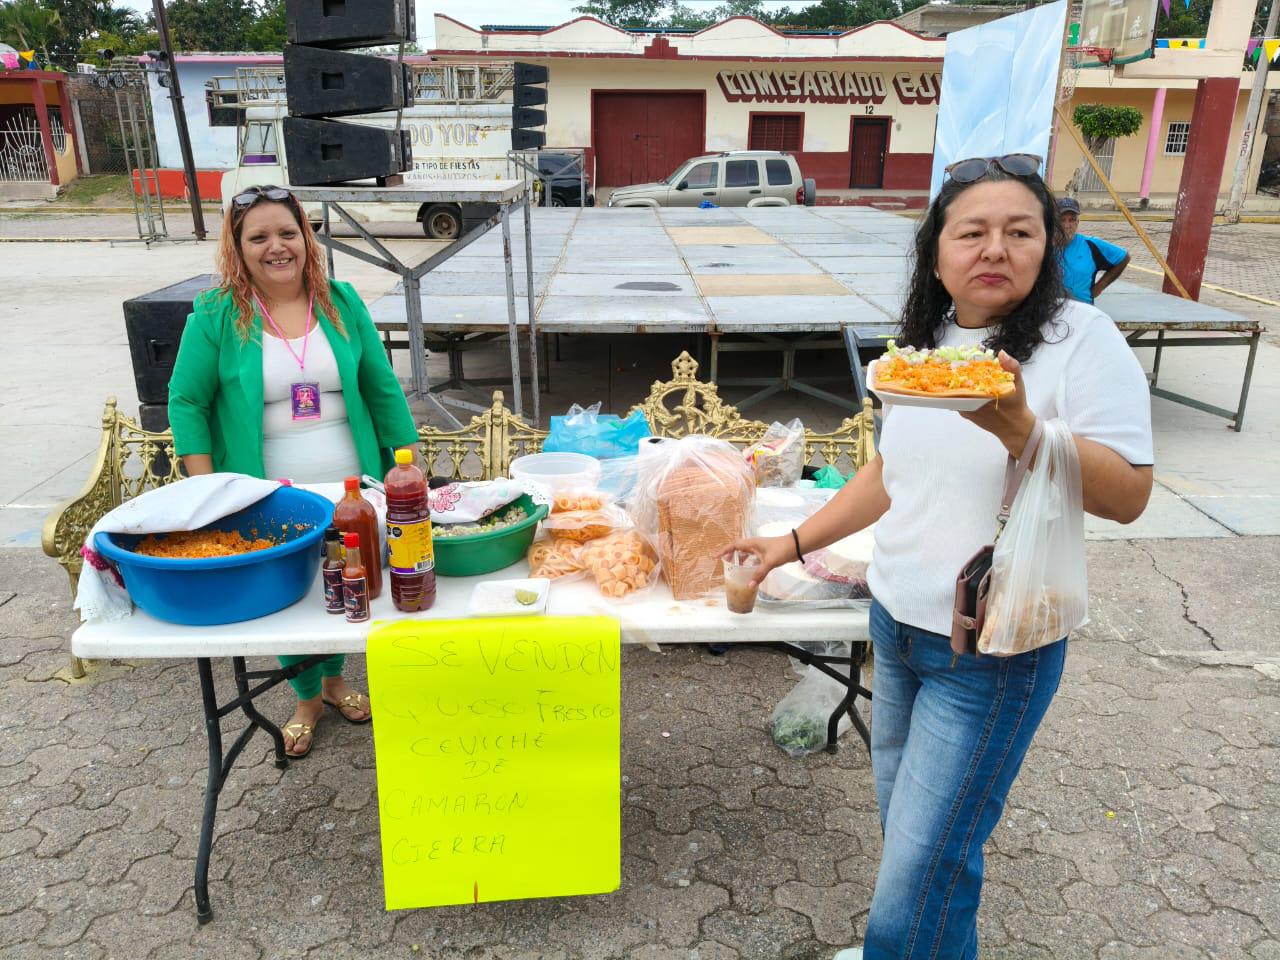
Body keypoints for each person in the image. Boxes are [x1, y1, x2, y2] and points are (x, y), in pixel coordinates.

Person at [726, 154, 1154, 959]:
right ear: (937, 252)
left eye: (1020, 231)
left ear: (1048, 247)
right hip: (896, 624)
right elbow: (893, 475)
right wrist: (785, 544)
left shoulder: (1079, 340)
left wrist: (1024, 430)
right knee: (915, 840)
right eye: (973, 232)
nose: (995, 249)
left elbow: (1130, 494)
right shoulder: (926, 345)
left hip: (992, 647)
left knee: (924, 861)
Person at [169, 185, 420, 759]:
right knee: (291, 595)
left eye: (287, 233)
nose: (275, 247)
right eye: (258, 237)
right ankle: (307, 695)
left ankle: (335, 682)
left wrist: (410, 466)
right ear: (238, 247)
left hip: (350, 489)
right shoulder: (216, 314)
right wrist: (209, 489)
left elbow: (381, 389)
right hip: (268, 495)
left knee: (347, 583)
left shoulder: (342, 300)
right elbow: (186, 402)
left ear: (306, 238)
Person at [1058, 196, 1130, 304]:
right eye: (1062, 220)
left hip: (1082, 309)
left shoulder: (1091, 245)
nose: (1067, 225)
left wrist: (1099, 287)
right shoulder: (1043, 245)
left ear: (1077, 222)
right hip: (1049, 309)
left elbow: (1123, 258)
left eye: (1071, 220)